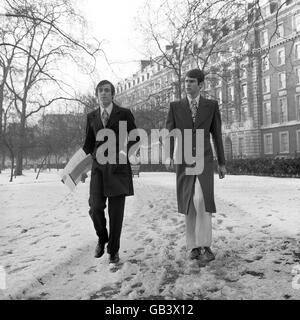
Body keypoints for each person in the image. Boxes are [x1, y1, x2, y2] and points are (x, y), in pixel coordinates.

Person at [165, 69, 226, 264]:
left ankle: (205, 245)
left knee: (202, 200)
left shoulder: (211, 106)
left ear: (201, 85)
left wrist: (222, 162)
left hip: (204, 160)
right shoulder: (175, 107)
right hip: (183, 161)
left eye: (191, 81)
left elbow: (216, 135)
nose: (187, 84)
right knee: (189, 202)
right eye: (186, 81)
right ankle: (192, 247)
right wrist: (168, 156)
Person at [82, 80, 139, 264]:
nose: (103, 93)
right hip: (98, 168)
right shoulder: (91, 117)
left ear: (112, 94)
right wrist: (79, 168)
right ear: (96, 94)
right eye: (100, 91)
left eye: (107, 90)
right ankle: (102, 237)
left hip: (118, 168)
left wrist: (123, 153)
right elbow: (88, 144)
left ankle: (113, 250)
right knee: (95, 207)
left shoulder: (124, 114)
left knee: (116, 214)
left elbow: (135, 138)